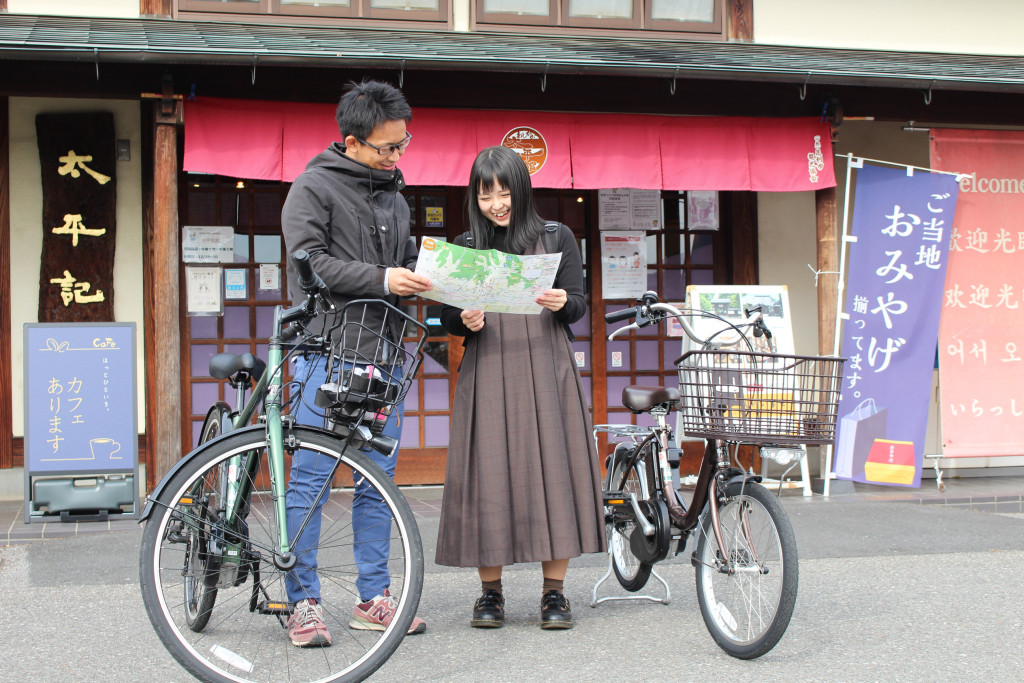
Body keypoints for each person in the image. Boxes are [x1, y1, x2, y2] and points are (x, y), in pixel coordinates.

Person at [280, 79, 431, 647]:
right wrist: (384, 278)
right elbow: (309, 265)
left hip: (386, 355)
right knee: (312, 481)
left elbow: (403, 260)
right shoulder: (312, 187)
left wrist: (434, 270)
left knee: (377, 482)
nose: (398, 156)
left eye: (403, 144)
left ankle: (373, 597)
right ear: (352, 141)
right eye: (388, 147)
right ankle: (304, 602)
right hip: (325, 350)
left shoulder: (394, 192)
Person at [435, 145, 606, 630]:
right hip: (488, 366)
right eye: (487, 194)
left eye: (505, 192)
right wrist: (463, 319)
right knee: (488, 474)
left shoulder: (557, 237)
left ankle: (555, 595)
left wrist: (560, 302)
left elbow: (577, 303)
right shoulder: (466, 246)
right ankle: (490, 595)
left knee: (554, 471)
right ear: (476, 197)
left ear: (521, 190)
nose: (497, 204)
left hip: (545, 364)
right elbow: (450, 317)